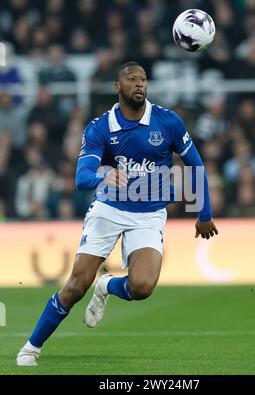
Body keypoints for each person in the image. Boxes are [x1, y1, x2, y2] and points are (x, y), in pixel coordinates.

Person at [16, 62, 218, 366]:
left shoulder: (168, 122)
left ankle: (107, 285)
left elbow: (196, 165)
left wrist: (204, 212)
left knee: (143, 287)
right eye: (131, 79)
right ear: (117, 87)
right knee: (75, 286)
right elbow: (82, 177)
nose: (139, 84)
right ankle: (31, 347)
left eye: (143, 79)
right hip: (109, 209)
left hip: (149, 214)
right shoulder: (100, 127)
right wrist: (104, 176)